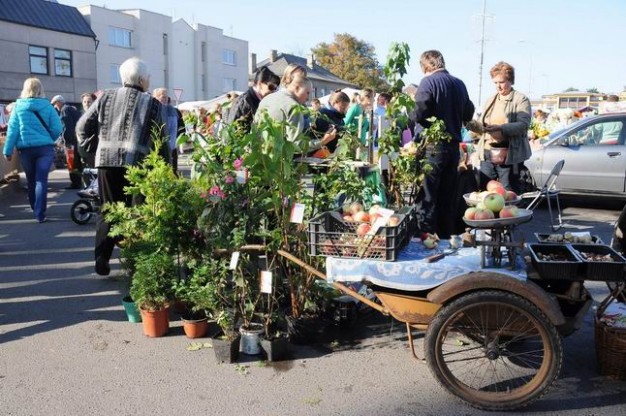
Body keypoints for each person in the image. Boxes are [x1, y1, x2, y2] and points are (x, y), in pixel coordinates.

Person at [76, 57, 167, 276]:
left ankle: (102, 258)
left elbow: (81, 127)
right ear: (142, 79)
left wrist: (93, 152)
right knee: (137, 212)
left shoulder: (105, 96)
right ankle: (135, 264)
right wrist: (165, 168)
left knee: (108, 209)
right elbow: (161, 139)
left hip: (106, 162)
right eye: (148, 77)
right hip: (138, 164)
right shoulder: (152, 103)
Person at [410, 50, 475, 239]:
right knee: (447, 195)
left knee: (427, 195)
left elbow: (419, 112)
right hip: (453, 147)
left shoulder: (428, 82)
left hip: (432, 147)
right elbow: (468, 113)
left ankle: (425, 238)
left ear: (425, 66)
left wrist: (410, 111)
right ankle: (446, 237)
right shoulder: (459, 84)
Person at [2, 78, 63, 223]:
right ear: (40, 89)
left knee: (31, 181)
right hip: (45, 149)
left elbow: (13, 131)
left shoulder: (18, 107)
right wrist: (48, 138)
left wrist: (7, 151)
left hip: (26, 150)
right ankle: (40, 214)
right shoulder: (48, 106)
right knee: (41, 180)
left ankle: (34, 208)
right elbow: (58, 128)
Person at [469, 61, 531, 193]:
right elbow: (481, 126)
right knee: (485, 191)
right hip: (487, 153)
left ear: (510, 80)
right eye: (495, 82)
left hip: (509, 155)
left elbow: (523, 125)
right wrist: (469, 123)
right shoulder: (491, 99)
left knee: (508, 192)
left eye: (501, 82)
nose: (498, 86)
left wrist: (501, 128)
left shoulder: (521, 99)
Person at [255, 73, 335, 153]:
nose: (308, 98)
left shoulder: (267, 98)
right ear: (297, 88)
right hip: (278, 156)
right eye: (307, 93)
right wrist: (323, 141)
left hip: (258, 152)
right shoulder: (294, 107)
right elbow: (296, 145)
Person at [226, 66, 280, 133]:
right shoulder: (245, 102)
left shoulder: (263, 102)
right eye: (271, 87)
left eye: (276, 88)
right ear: (260, 84)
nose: (273, 91)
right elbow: (234, 131)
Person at [51, 95, 84, 189]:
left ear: (58, 102)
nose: (55, 107)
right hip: (77, 140)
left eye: (54, 104)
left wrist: (65, 142)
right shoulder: (72, 109)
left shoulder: (64, 110)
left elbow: (66, 128)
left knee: (71, 162)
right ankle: (79, 182)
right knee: (76, 162)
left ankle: (75, 183)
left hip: (70, 142)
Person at [309, 90, 350, 155]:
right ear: (335, 102)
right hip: (319, 153)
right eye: (343, 107)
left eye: (346, 108)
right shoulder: (322, 114)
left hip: (331, 154)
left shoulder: (340, 117)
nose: (344, 110)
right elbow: (318, 135)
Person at [153, 88, 183, 174]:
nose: (165, 99)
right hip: (155, 147)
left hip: (169, 147)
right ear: (155, 97)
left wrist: (169, 147)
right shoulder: (153, 109)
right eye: (163, 97)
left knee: (171, 172)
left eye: (166, 97)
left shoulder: (172, 111)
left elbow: (174, 130)